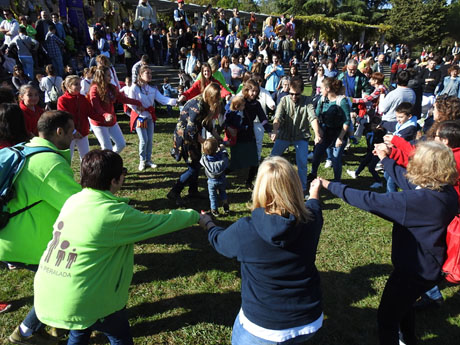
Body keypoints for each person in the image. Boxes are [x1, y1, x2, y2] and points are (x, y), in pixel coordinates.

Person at [34, 149, 200, 345]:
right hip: (85, 299)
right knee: (119, 335)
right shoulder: (114, 214)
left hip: (49, 293)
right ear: (114, 181)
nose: (124, 176)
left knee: (80, 329)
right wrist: (196, 215)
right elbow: (160, 222)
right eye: (123, 172)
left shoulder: (73, 200)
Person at [318, 140, 458, 345]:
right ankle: (409, 339)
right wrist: (386, 159)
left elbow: (370, 200)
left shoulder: (417, 203)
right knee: (405, 305)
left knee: (387, 318)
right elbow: (409, 182)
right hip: (429, 267)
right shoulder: (446, 191)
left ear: (424, 168)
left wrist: (331, 186)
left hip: (413, 272)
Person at [200, 156, 324, 345]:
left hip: (263, 328)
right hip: (308, 320)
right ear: (296, 186)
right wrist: (314, 192)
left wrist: (208, 223)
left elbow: (220, 242)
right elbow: (314, 204)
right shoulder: (312, 220)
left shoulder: (246, 230)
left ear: (260, 188)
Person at [4, 110, 82, 344]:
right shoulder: (49, 163)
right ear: (59, 132)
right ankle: (24, 333)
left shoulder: (27, 148)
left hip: (10, 234)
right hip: (25, 242)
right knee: (60, 282)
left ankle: (56, 325)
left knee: (53, 283)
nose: (74, 134)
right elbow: (77, 203)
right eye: (71, 130)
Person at [168, 83, 222, 206]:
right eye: (216, 98)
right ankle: (174, 192)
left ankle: (193, 191)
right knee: (193, 167)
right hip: (186, 138)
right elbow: (190, 131)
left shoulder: (204, 103)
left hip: (192, 136)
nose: (217, 101)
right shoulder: (197, 107)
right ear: (210, 96)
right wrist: (206, 143)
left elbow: (206, 123)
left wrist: (218, 138)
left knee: (196, 163)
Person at [270, 76, 320, 194]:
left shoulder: (307, 101)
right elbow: (277, 117)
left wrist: (317, 134)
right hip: (284, 135)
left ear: (301, 92)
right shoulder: (284, 100)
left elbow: (313, 118)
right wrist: (275, 131)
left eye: (297, 94)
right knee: (271, 160)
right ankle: (270, 184)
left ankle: (302, 189)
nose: (294, 97)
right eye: (291, 94)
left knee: (302, 163)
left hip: (300, 136)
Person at [128, 66, 177, 171]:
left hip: (150, 117)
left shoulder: (152, 88)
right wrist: (137, 109)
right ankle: (142, 160)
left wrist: (175, 101)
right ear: (140, 75)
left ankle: (148, 160)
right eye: (147, 73)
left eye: (150, 73)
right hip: (140, 117)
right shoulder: (134, 88)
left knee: (149, 140)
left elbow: (162, 99)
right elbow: (130, 101)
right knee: (143, 140)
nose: (150, 75)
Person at [88, 66, 143, 153]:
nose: (110, 77)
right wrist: (105, 115)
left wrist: (138, 102)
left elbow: (123, 99)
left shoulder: (111, 87)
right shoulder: (94, 89)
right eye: (108, 75)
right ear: (101, 76)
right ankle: (107, 164)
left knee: (121, 144)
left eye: (110, 75)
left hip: (111, 121)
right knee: (107, 148)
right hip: (99, 123)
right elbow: (96, 107)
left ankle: (110, 159)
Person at [309, 78, 351, 182]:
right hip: (325, 131)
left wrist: (340, 138)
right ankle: (313, 174)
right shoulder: (322, 100)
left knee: (336, 158)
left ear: (328, 89)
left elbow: (347, 121)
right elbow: (316, 115)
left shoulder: (341, 101)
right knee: (317, 153)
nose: (320, 90)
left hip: (338, 132)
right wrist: (318, 132)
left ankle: (337, 181)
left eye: (321, 88)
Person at [58, 75, 105, 161]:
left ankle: (85, 174)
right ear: (68, 86)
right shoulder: (62, 100)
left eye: (80, 84)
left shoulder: (83, 98)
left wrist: (104, 119)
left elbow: (91, 113)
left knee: (85, 158)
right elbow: (64, 117)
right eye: (76, 84)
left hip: (82, 133)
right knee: (68, 158)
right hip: (68, 133)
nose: (79, 87)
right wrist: (73, 131)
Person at [200, 138, 229, 217]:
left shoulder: (205, 160)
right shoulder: (221, 158)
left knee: (212, 195)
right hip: (222, 180)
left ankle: (214, 209)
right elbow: (225, 157)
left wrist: (204, 151)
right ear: (216, 148)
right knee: (223, 192)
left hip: (211, 181)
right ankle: (225, 205)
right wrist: (223, 149)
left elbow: (203, 157)